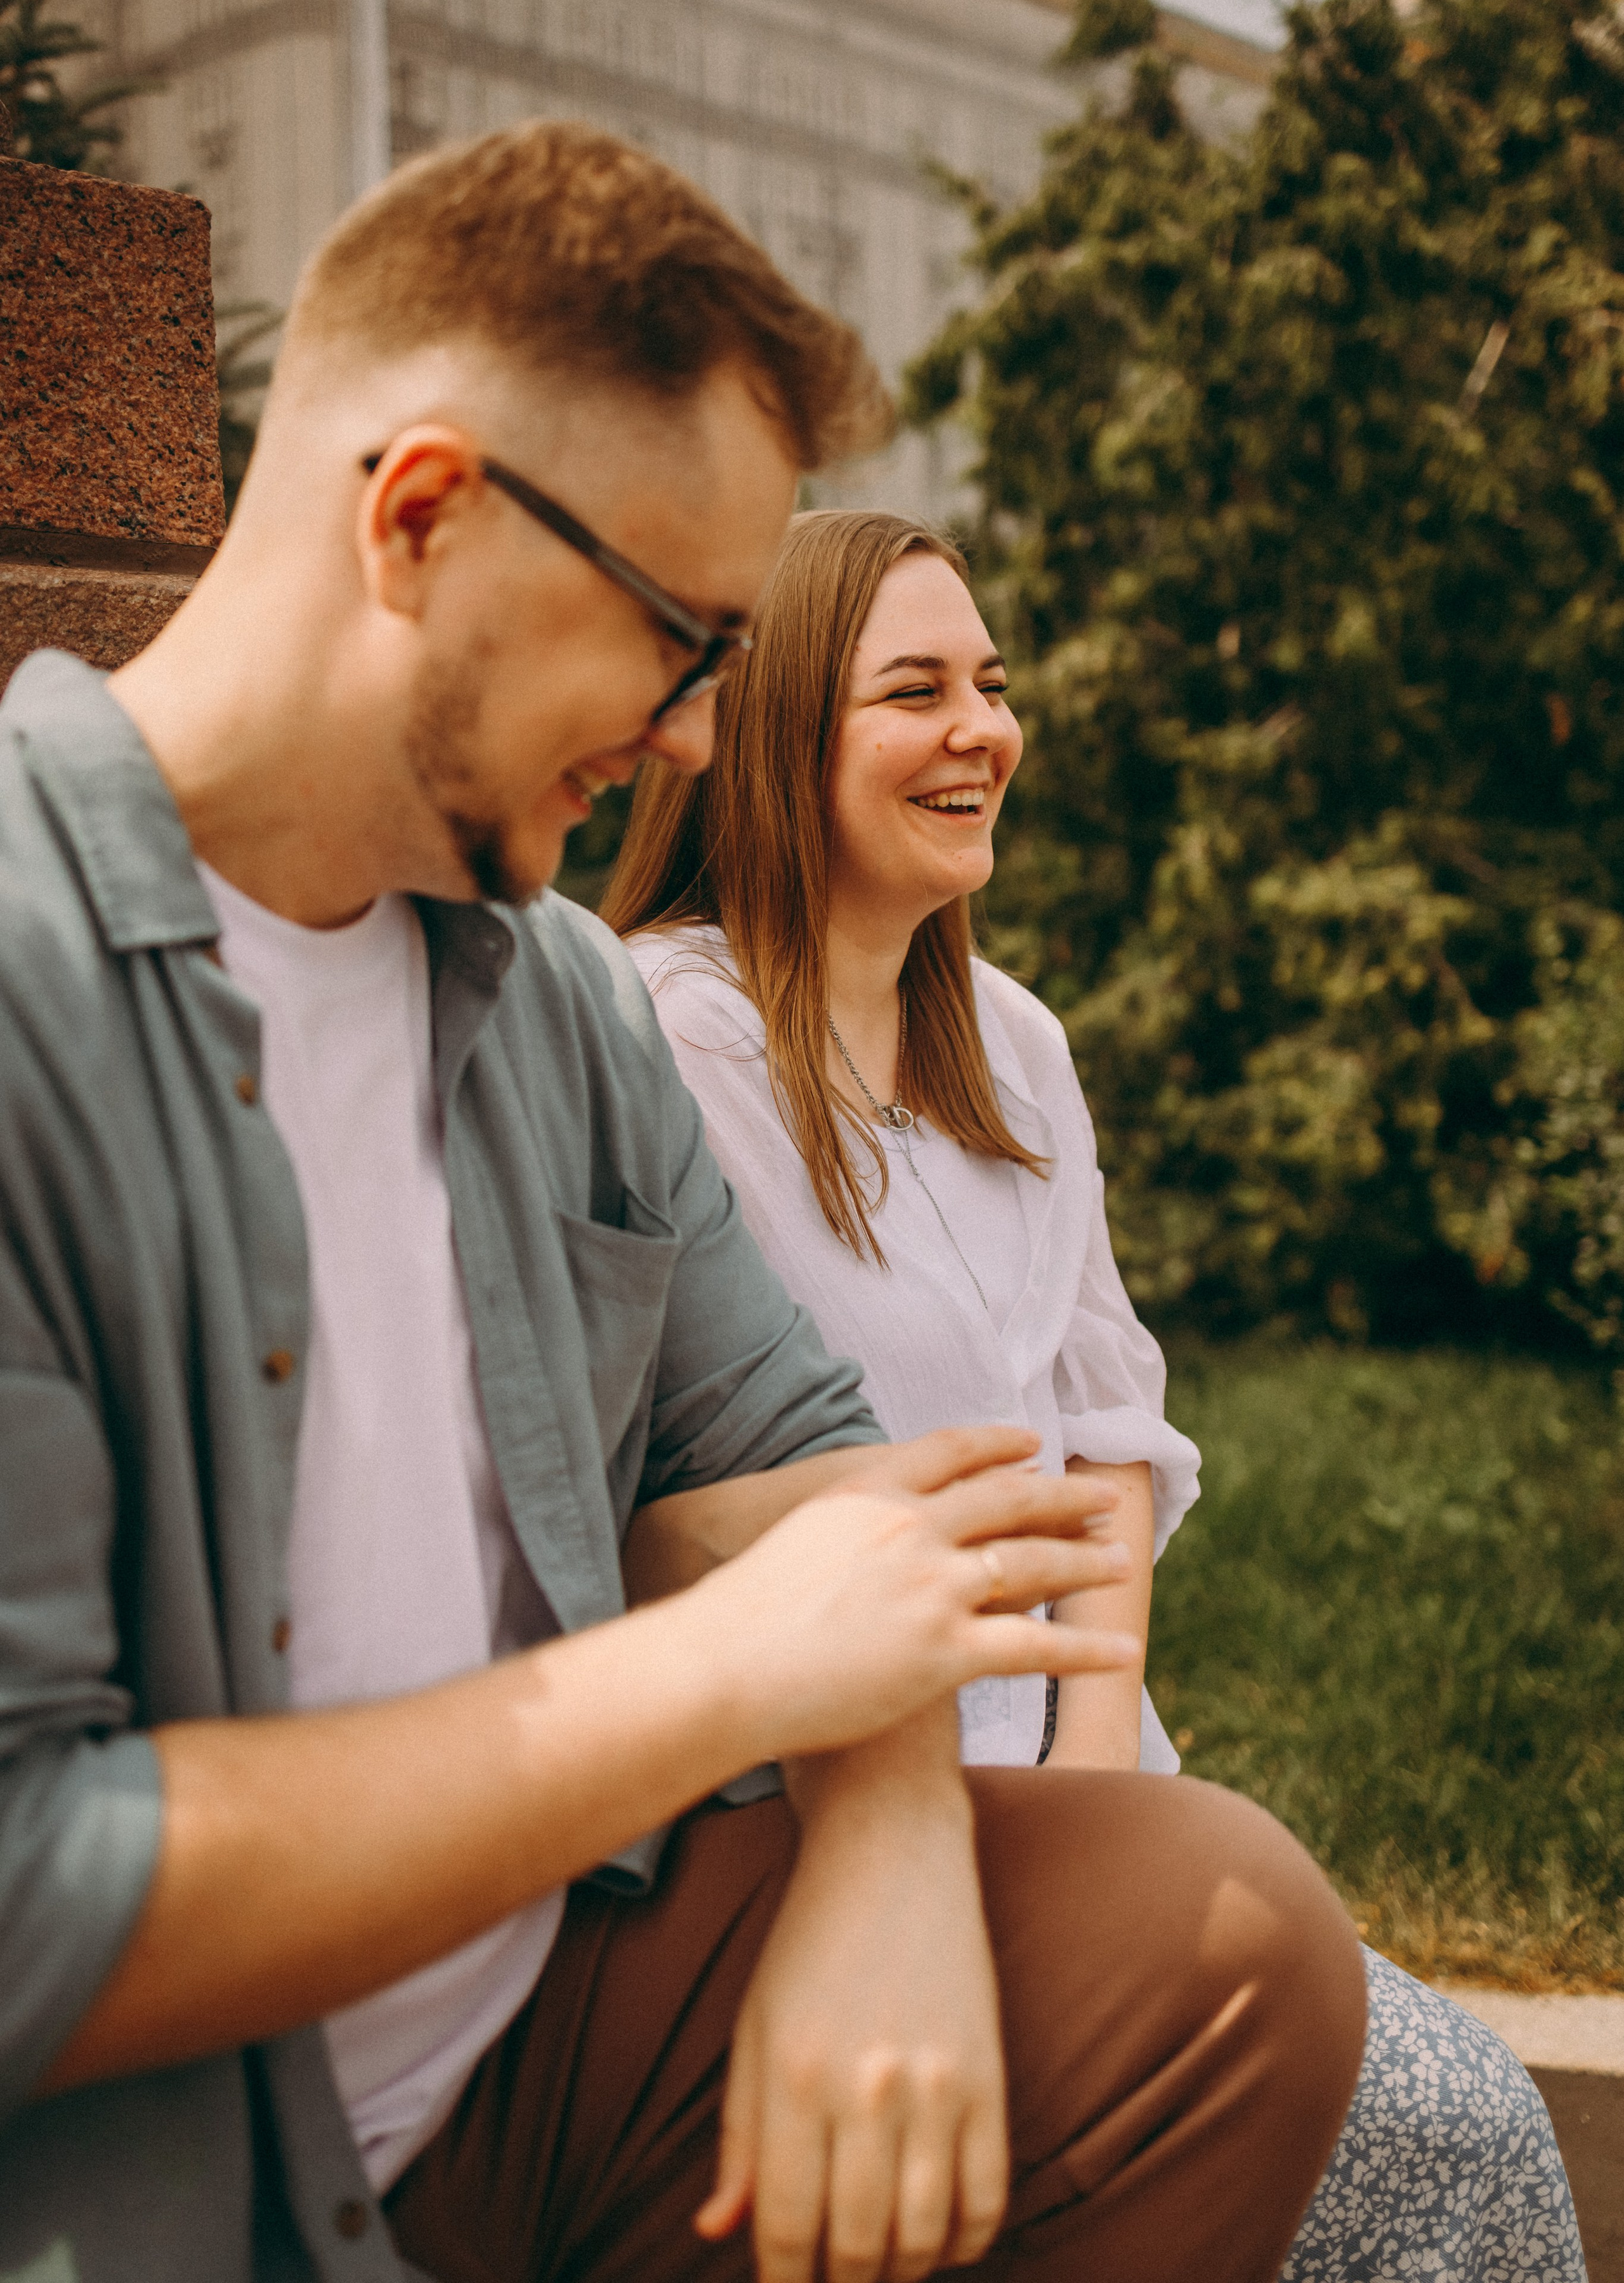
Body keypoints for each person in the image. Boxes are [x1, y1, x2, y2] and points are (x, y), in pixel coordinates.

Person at [0, 126, 1367, 2283]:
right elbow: (26, 1902)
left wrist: (892, 1839)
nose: (693, 741)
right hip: (182, 2174)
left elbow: (814, 1462)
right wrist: (727, 1683)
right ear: (422, 516)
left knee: (1225, 1943)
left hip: (551, 2030)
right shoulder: (21, 985)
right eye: (681, 640)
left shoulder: (544, 989)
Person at [605, 505, 1589, 2283]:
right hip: (800, 1837)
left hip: (1076, 1785)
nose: (986, 729)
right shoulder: (662, 1041)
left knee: (1462, 2125)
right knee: (1437, 2126)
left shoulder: (1022, 1049)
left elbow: (1108, 1445)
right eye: (915, 691)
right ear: (772, 739)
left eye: (992, 683)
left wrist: (1092, 1772)